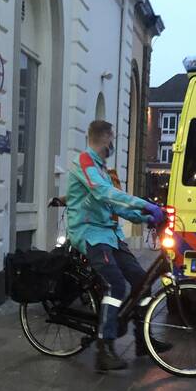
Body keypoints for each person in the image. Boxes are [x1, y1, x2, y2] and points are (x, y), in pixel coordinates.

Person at [66, 120, 169, 372]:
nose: (113, 143)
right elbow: (104, 193)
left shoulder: (101, 168)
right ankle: (104, 349)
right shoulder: (84, 161)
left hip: (109, 235)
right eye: (112, 139)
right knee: (116, 285)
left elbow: (114, 205)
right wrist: (145, 204)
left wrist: (145, 217)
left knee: (143, 282)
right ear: (104, 138)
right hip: (90, 234)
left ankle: (143, 341)